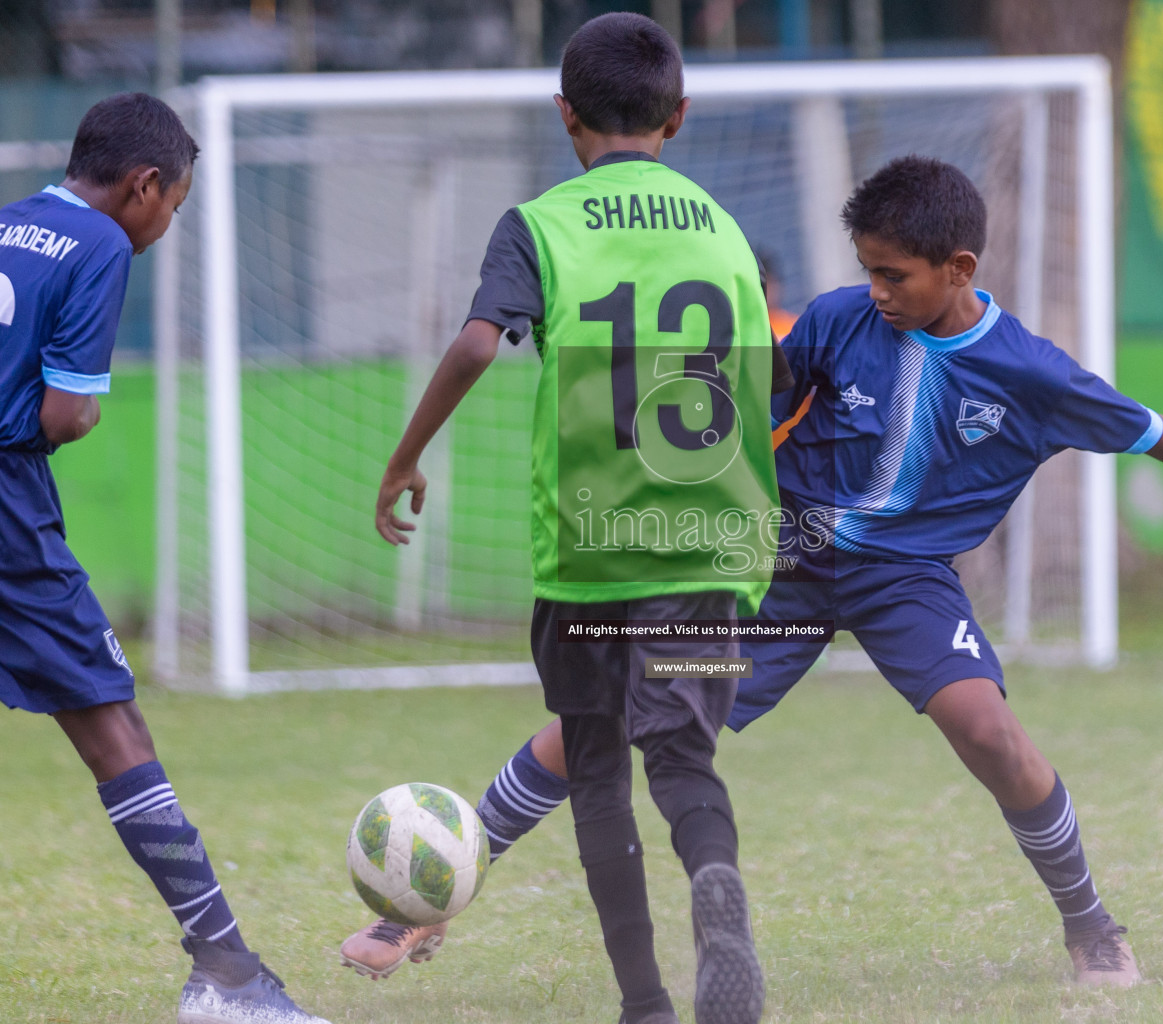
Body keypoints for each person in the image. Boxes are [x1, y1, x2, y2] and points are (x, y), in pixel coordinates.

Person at [346, 156, 1163, 992]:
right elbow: (746, 394)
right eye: (866, 271)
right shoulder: (836, 319)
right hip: (777, 563)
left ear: (959, 268)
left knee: (989, 728)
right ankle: (423, 906)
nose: (876, 291)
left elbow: (1150, 430)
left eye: (894, 275)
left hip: (904, 579)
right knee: (594, 720)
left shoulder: (1032, 373)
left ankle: (1090, 922)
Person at [359, 14, 787, 1024]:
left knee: (594, 766)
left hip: (590, 554)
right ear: (677, 116)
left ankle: (644, 1000)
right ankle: (716, 889)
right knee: (684, 761)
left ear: (565, 116)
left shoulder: (540, 224)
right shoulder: (723, 228)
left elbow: (473, 347)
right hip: (707, 546)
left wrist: (405, 455)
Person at [0, 93, 327, 1024]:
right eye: (173, 207)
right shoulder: (98, 244)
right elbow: (67, 414)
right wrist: (63, 412)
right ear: (143, 185)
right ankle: (228, 976)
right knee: (116, 729)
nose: (165, 226)